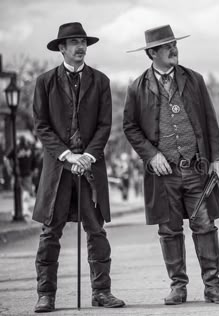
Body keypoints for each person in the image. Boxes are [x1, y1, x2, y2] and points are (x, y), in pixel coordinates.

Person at [123, 25, 219, 305]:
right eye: (166, 46)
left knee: (205, 226)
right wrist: (151, 154)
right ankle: (178, 287)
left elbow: (209, 120)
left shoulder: (194, 80)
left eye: (174, 43)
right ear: (152, 53)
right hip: (164, 173)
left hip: (196, 168)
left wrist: (218, 158)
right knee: (169, 229)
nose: (174, 49)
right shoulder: (137, 87)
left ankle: (213, 286)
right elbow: (130, 127)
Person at [32, 22, 125, 312]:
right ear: (62, 48)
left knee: (96, 231)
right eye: (73, 42)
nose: (80, 46)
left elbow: (104, 125)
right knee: (50, 232)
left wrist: (87, 156)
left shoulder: (101, 81)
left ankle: (101, 292)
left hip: (90, 169)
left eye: (83, 41)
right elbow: (41, 126)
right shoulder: (44, 82)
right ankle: (46, 295)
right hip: (58, 170)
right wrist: (66, 155)